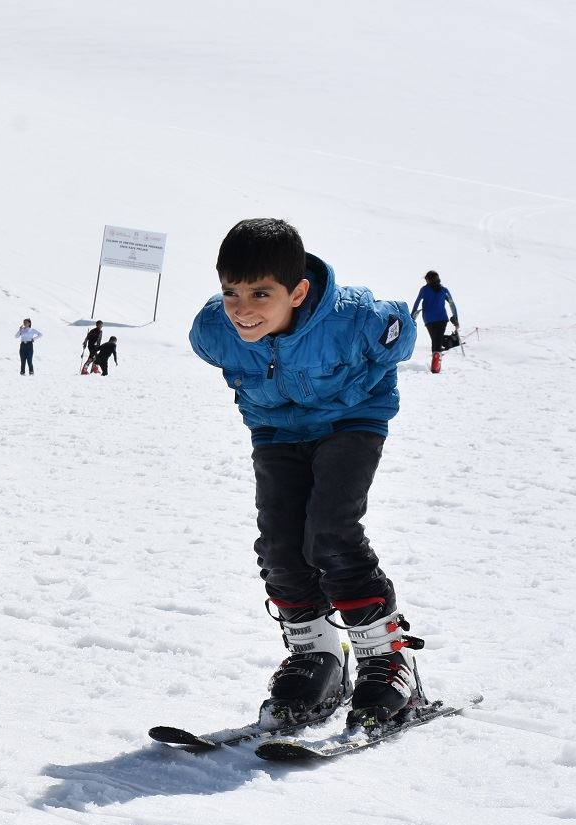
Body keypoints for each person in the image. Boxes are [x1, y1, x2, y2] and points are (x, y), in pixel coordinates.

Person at [189, 218, 419, 731]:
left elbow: (401, 336)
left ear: (298, 292)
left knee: (331, 532)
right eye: (231, 291)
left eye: (260, 293)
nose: (242, 308)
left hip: (352, 421)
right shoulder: (212, 331)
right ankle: (319, 659)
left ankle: (388, 661)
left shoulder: (356, 320)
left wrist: (364, 382)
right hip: (276, 430)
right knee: (279, 546)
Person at [412, 270, 461, 373]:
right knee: (436, 340)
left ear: (428, 280)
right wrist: (455, 318)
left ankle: (435, 365)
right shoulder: (444, 290)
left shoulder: (424, 290)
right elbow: (452, 304)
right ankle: (436, 364)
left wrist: (412, 317)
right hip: (442, 318)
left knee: (435, 340)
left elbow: (416, 303)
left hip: (429, 319)